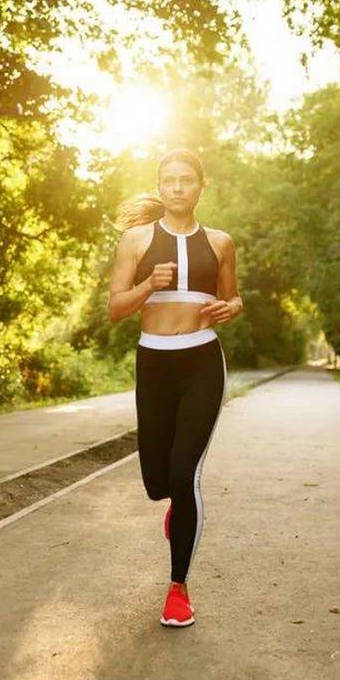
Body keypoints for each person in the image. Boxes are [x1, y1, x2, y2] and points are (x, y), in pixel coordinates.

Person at [107, 147, 243, 628]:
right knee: (156, 483)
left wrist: (232, 308)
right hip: (155, 364)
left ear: (200, 187)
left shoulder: (221, 242)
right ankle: (176, 506)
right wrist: (147, 285)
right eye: (170, 180)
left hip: (203, 360)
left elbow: (232, 297)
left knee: (185, 475)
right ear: (160, 186)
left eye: (187, 179)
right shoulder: (136, 241)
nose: (178, 187)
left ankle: (178, 588)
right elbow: (116, 308)